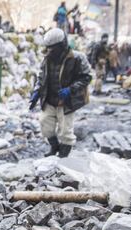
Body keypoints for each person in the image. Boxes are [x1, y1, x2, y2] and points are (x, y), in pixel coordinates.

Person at [29, 28, 91, 158]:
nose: (50, 51)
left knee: (65, 131)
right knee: (44, 123)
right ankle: (54, 147)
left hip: (67, 101)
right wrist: (36, 93)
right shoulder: (46, 60)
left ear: (62, 45)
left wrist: (71, 89)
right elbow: (41, 78)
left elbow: (86, 77)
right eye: (49, 48)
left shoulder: (78, 58)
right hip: (50, 99)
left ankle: (63, 155)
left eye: (53, 48)